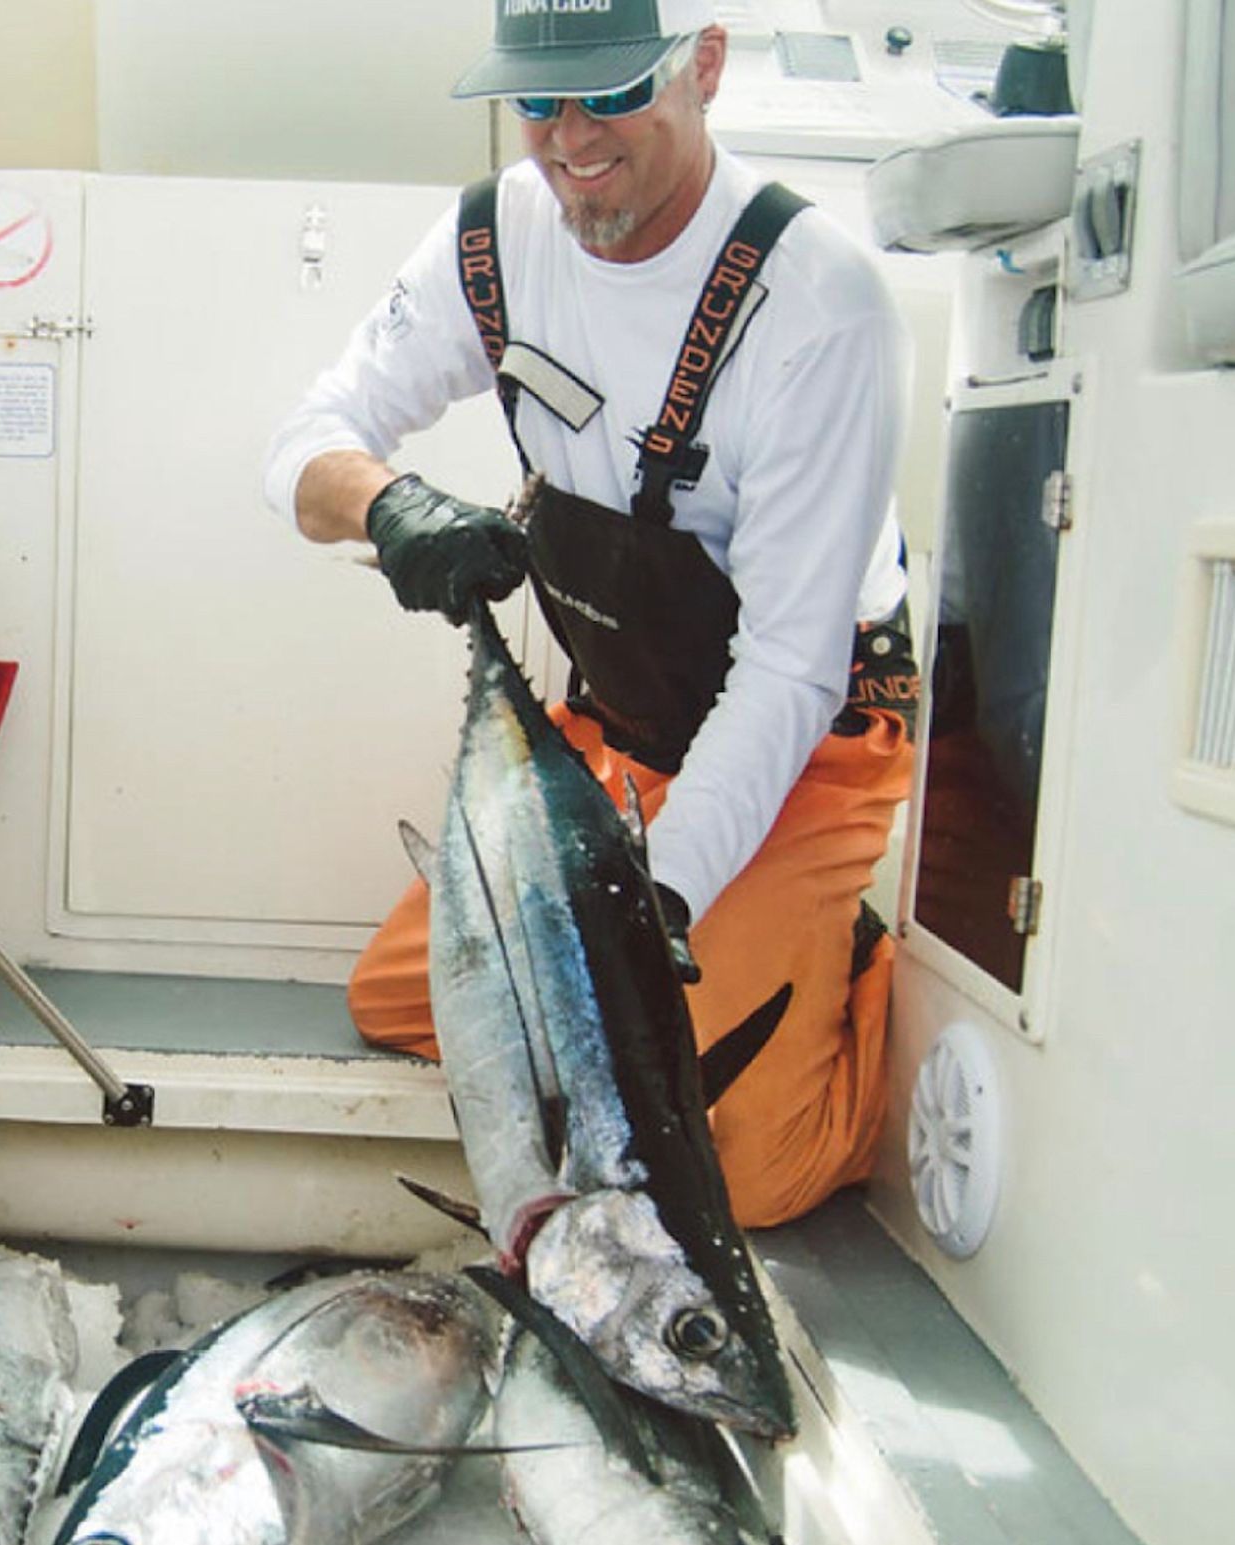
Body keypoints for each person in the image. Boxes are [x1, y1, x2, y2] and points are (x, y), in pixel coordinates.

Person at [261, 0, 921, 1228]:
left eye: (612, 94)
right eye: (538, 100)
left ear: (705, 65)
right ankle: (734, 951)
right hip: (619, 728)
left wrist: (637, 917)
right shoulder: (491, 239)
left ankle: (846, 954)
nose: (570, 139)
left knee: (744, 1169)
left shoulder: (821, 307)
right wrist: (389, 507)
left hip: (806, 744)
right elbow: (305, 446)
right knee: (403, 999)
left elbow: (790, 671)